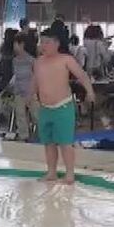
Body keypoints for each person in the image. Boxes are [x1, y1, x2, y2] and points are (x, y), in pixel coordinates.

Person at [34, 29, 96, 184]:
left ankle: (70, 174)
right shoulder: (38, 62)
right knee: (48, 142)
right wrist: (30, 97)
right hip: (44, 107)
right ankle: (51, 172)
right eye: (42, 42)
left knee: (65, 143)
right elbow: (35, 81)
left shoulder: (66, 59)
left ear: (57, 44)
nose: (44, 45)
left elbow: (81, 75)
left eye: (47, 42)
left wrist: (90, 91)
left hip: (63, 106)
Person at [10, 33, 38, 141]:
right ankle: (23, 137)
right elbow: (15, 76)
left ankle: (47, 135)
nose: (14, 46)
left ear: (21, 44)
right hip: (18, 92)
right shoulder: (15, 60)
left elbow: (35, 77)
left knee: (36, 115)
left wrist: (32, 92)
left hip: (30, 92)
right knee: (20, 116)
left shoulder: (31, 60)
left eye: (15, 44)